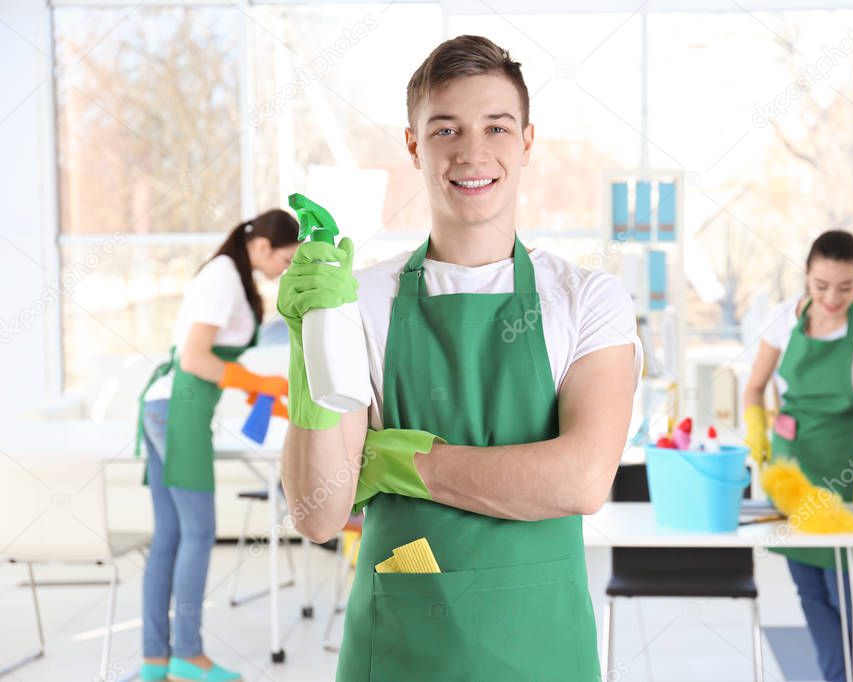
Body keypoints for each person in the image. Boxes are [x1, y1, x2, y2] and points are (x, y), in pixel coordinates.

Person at [278, 35, 643, 680]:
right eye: (446, 129)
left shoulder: (587, 299)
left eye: (496, 126)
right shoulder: (358, 300)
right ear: (414, 144)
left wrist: (397, 461)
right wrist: (312, 348)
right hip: (401, 649)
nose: (473, 152)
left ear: (527, 141)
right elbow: (318, 512)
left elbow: (582, 480)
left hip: (542, 653)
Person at [136, 211, 298, 682]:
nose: (284, 270)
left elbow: (214, 360)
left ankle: (155, 663)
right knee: (198, 534)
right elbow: (195, 358)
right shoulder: (226, 277)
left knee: (169, 538)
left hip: (167, 407)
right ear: (264, 246)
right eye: (285, 260)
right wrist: (257, 379)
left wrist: (257, 390)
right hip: (179, 412)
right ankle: (188, 655)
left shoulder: (229, 274)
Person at [744, 230, 853, 682]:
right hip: (792, 469)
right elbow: (754, 387)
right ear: (807, 277)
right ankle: (836, 676)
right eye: (820, 285)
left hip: (843, 464)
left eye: (845, 288)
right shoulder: (781, 319)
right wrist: (756, 432)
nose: (832, 298)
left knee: (846, 584)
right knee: (808, 587)